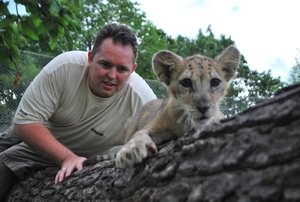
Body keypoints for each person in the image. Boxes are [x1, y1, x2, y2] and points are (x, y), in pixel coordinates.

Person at [0, 23, 157, 200]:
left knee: (3, 164)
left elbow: (165, 132)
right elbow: (26, 123)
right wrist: (67, 157)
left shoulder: (143, 99)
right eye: (105, 64)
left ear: (132, 70)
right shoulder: (65, 67)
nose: (112, 75)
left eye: (122, 69)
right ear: (90, 58)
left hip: (83, 153)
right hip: (41, 129)